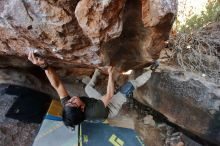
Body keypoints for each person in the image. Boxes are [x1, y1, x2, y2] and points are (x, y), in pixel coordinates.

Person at [28, 51, 158, 128]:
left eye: (69, 102)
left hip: (96, 102)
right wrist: (111, 73)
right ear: (82, 108)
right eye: (73, 102)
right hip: (109, 108)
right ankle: (152, 70)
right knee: (129, 86)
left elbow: (57, 85)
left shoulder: (69, 107)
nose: (72, 99)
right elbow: (110, 94)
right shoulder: (95, 111)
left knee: (88, 88)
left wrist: (44, 66)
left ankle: (97, 70)